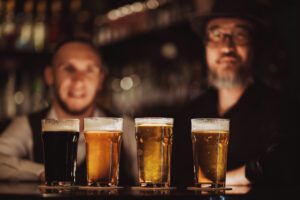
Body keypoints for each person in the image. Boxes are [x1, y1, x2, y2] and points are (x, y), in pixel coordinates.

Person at [172, 0, 296, 187]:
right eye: (216, 34)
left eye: (239, 35)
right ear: (205, 47)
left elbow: (287, 162)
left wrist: (223, 180)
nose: (227, 47)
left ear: (254, 46)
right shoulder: (187, 116)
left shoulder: (281, 110)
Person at [0, 38, 137, 185]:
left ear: (100, 80)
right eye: (68, 69)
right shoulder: (27, 125)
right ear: (50, 76)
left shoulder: (125, 128)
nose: (78, 81)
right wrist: (43, 172)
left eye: (89, 70)